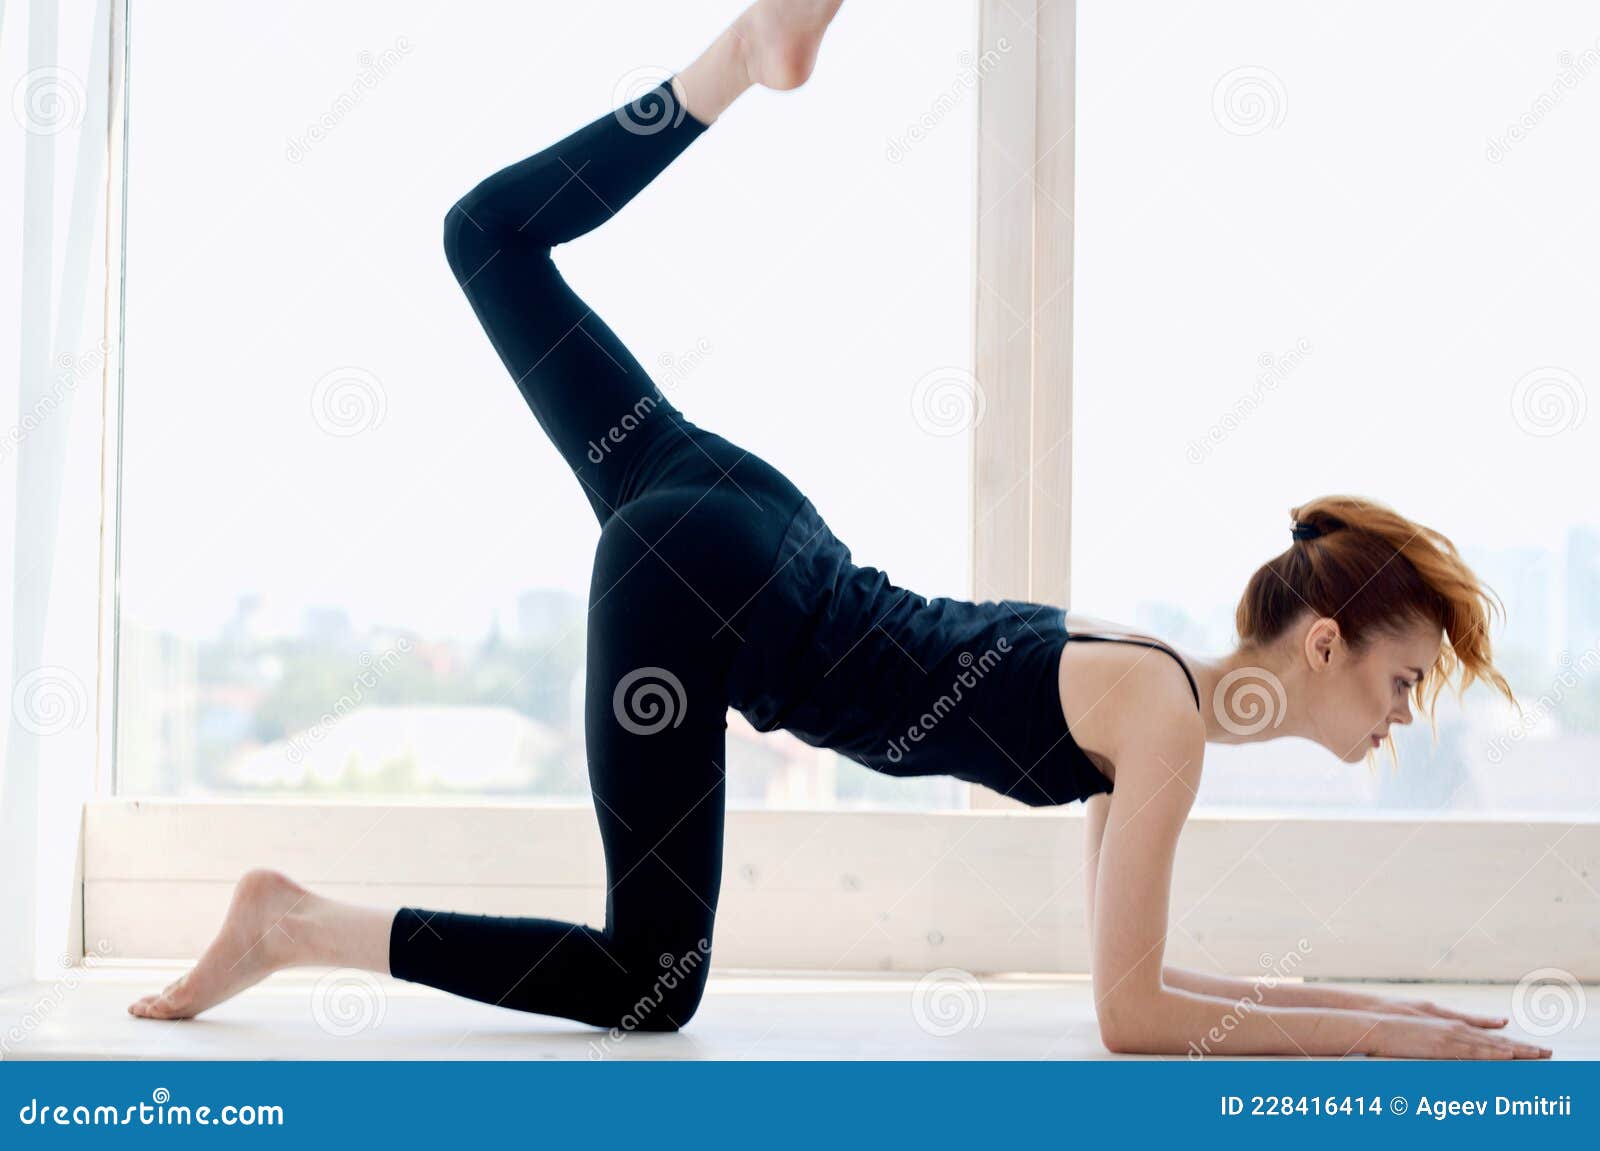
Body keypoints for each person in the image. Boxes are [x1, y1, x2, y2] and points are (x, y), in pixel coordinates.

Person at [128, 0, 1548, 1060]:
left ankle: (735, 63)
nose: (1404, 715)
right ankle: (295, 924)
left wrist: (1398, 1009)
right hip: (723, 579)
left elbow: (1159, 986)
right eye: (1402, 678)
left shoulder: (1158, 688)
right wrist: (1397, 1043)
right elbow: (1132, 1018)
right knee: (652, 982)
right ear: (1320, 641)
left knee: (485, 240)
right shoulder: (1165, 723)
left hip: (750, 523)